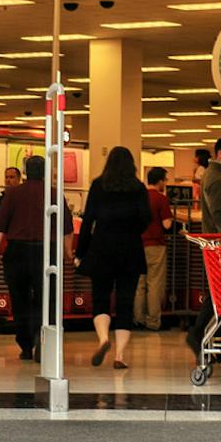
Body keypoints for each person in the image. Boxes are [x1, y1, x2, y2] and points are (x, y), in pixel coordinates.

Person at [77, 147, 153, 371]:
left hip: (102, 246)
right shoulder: (138, 188)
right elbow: (145, 218)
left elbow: (88, 219)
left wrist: (81, 252)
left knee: (100, 297)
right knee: (125, 302)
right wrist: (132, 230)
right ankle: (119, 355)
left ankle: (103, 339)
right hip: (129, 248)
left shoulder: (98, 185)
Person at [0, 153, 50, 363]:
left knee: (19, 298)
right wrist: (67, 253)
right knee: (44, 298)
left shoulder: (13, 194)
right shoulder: (52, 193)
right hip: (44, 251)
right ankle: (40, 335)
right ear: (46, 171)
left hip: (17, 252)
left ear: (24, 172)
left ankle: (25, 344)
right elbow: (66, 228)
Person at [186, 137, 221, 352]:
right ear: (220, 154)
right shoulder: (218, 180)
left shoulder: (217, 176)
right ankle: (200, 332)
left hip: (217, 245)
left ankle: (220, 336)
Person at [136, 166, 174, 330]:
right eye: (165, 180)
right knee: (154, 284)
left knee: (139, 284)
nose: (165, 183)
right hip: (155, 245)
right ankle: (152, 322)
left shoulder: (138, 197)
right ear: (159, 181)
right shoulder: (161, 199)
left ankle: (138, 318)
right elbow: (167, 224)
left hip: (137, 244)